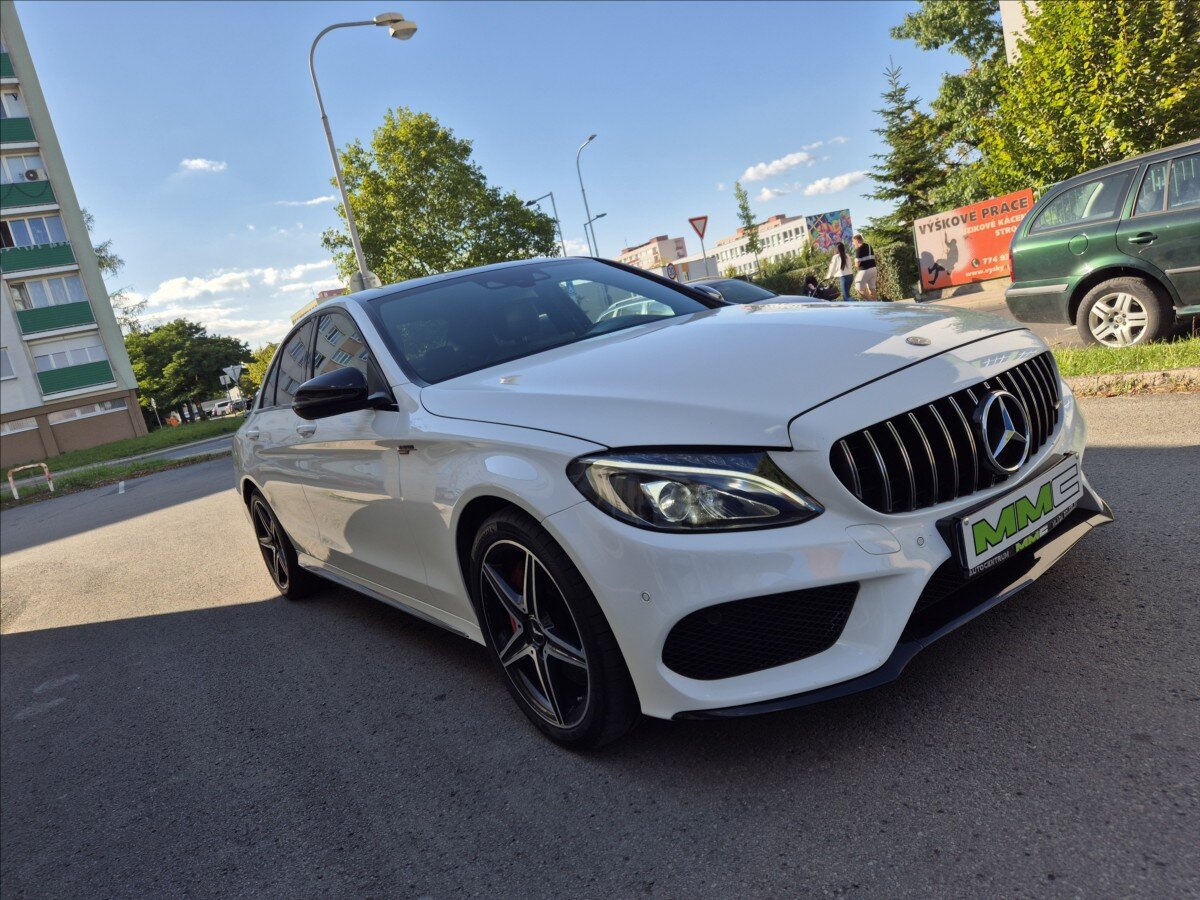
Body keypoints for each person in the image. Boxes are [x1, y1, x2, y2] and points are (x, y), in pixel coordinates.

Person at [852, 234, 877, 300]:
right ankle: (876, 303)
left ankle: (871, 302)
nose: (853, 244)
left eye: (854, 242)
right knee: (872, 288)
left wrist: (855, 263)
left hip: (865, 270)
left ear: (857, 240)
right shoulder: (869, 246)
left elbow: (857, 264)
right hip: (873, 269)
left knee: (858, 288)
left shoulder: (859, 249)